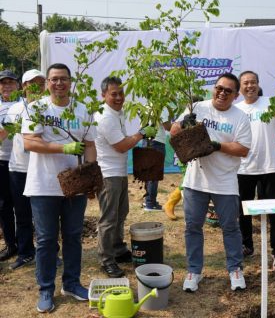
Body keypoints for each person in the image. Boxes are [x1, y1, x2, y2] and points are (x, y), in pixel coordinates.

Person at [22, 63, 97, 313]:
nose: (59, 83)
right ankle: (46, 288)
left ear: (70, 82)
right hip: (43, 185)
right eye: (54, 79)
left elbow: (89, 145)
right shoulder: (37, 109)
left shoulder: (83, 109)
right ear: (47, 83)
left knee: (73, 236)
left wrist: (90, 176)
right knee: (46, 239)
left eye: (63, 79)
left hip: (75, 186)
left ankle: (71, 284)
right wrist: (63, 148)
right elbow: (30, 142)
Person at [170, 73, 251, 292]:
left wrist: (217, 145)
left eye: (228, 91)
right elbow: (174, 131)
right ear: (213, 89)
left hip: (225, 181)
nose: (222, 93)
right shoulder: (198, 107)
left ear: (235, 95)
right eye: (219, 88)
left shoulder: (240, 118)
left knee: (230, 227)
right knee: (193, 226)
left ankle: (235, 269)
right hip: (195, 180)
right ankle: (194, 271)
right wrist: (183, 123)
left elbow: (243, 149)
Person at [95, 76, 151, 278]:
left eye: (121, 93)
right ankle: (106, 260)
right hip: (107, 174)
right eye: (114, 94)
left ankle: (117, 249)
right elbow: (121, 146)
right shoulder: (105, 117)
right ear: (103, 95)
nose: (119, 97)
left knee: (121, 212)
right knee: (109, 218)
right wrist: (141, 133)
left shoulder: (116, 113)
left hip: (117, 172)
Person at [236, 71, 275, 269]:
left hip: (270, 167)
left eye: (253, 82)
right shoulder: (236, 109)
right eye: (245, 83)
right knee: (243, 210)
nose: (250, 86)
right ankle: (246, 245)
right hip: (244, 168)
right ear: (240, 87)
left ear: (258, 84)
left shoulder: (271, 103)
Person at [5, 69, 46, 269]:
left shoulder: (48, 108)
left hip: (42, 169)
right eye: (32, 83)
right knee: (22, 214)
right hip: (19, 168)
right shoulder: (15, 109)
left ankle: (49, 251)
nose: (36, 86)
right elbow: (5, 134)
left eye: (40, 82)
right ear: (24, 86)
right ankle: (25, 252)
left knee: (45, 215)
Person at [0, 69, 20, 262]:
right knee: (4, 204)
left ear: (18, 85)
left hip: (22, 162)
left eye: (10, 82)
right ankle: (10, 244)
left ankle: (26, 243)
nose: (7, 86)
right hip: (2, 160)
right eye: (3, 82)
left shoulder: (25, 105)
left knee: (24, 204)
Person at [142, 108, 171, 211]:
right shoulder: (161, 106)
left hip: (146, 141)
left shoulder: (146, 106)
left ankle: (148, 201)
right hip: (156, 143)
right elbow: (168, 127)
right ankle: (150, 203)